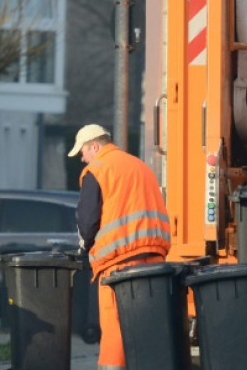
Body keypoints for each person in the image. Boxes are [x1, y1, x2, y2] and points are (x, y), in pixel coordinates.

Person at [68, 124, 171, 370]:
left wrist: (84, 247)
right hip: (154, 258)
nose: (82, 159)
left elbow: (88, 220)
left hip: (119, 263)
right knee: (146, 325)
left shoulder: (98, 170)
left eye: (82, 152)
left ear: (95, 146)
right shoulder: (139, 165)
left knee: (115, 325)